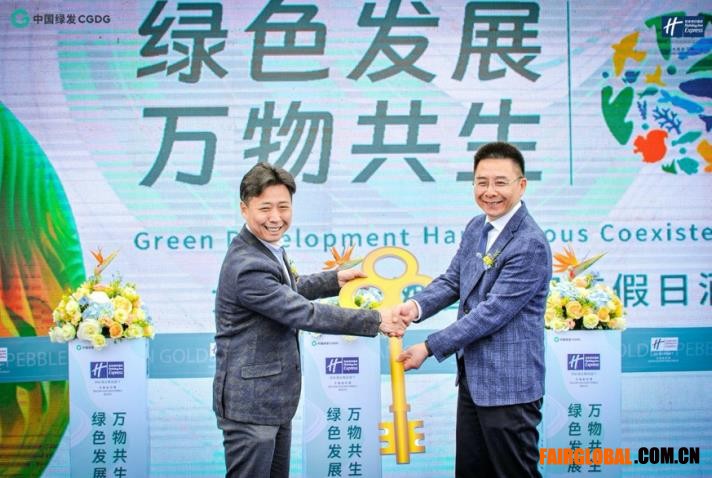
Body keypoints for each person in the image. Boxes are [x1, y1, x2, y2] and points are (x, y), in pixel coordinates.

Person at [213, 162, 406, 478]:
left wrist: (335, 279)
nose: (276, 217)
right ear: (244, 209)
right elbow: (302, 312)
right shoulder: (248, 264)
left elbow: (287, 290)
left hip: (272, 400)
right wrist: (375, 320)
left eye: (283, 207)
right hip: (251, 405)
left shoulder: (264, 249)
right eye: (265, 208)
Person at [396, 142, 551, 478]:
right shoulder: (476, 227)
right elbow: (454, 279)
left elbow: (491, 312)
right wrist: (415, 307)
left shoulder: (530, 243)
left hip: (509, 386)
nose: (489, 192)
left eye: (500, 182)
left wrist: (429, 346)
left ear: (521, 185)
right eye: (482, 182)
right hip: (473, 380)